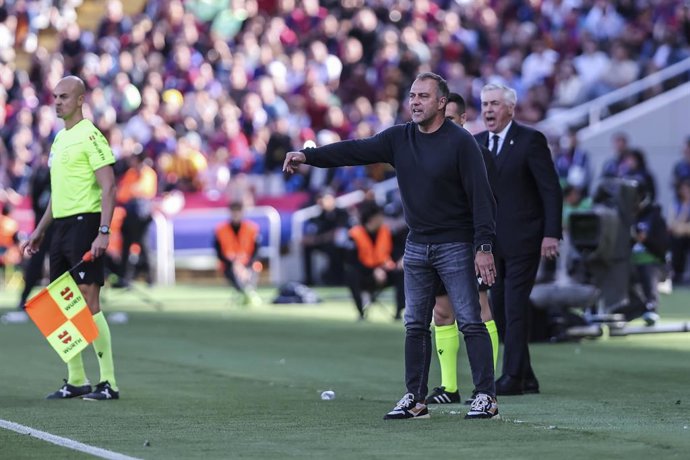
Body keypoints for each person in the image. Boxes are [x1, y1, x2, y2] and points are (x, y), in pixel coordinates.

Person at [284, 72, 499, 420]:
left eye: (424, 96)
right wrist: (309, 156)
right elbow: (354, 149)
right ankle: (415, 398)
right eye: (412, 95)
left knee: (470, 321)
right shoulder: (400, 138)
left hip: (455, 244)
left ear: (442, 103)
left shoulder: (461, 142)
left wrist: (484, 246)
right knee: (415, 324)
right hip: (416, 245)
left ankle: (486, 396)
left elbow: (482, 198)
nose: (415, 102)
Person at [21, 75, 120, 401]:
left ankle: (108, 382)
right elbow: (58, 194)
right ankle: (76, 380)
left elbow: (109, 186)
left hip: (85, 223)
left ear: (80, 100)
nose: (58, 101)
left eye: (64, 96)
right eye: (55, 96)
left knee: (89, 302)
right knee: (63, 304)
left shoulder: (90, 136)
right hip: (61, 226)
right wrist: (40, 229)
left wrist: (103, 231)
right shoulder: (60, 139)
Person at [475, 83, 562, 396]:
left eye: (495, 104)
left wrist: (551, 233)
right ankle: (527, 375)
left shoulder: (530, 140)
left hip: (525, 239)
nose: (488, 110)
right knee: (499, 307)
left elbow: (550, 189)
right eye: (485, 104)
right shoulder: (476, 143)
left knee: (513, 305)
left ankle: (512, 376)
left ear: (510, 108)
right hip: (491, 243)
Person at [426, 92, 499, 405]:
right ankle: (449, 387)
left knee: (479, 309)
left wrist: (482, 244)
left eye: (451, 119)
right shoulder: (426, 151)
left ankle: (486, 387)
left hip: (469, 242)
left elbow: (488, 203)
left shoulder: (478, 153)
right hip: (437, 242)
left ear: (462, 119)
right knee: (441, 311)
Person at [344, 202, 405, 320]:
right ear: (372, 218)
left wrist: (398, 261)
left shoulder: (386, 232)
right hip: (364, 274)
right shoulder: (354, 234)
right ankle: (361, 312)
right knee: (351, 274)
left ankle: (399, 311)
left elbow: (395, 251)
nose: (383, 219)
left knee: (401, 273)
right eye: (380, 216)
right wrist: (373, 271)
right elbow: (351, 261)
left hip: (385, 271)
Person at [113, 152, 157, 287]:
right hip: (130, 215)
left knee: (143, 245)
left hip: (141, 216)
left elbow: (144, 190)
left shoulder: (148, 173)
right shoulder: (131, 173)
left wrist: (131, 191)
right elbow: (122, 193)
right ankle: (125, 278)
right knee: (126, 246)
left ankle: (151, 278)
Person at [213, 201, 262, 306]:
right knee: (231, 271)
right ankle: (245, 292)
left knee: (255, 268)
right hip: (229, 264)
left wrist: (246, 266)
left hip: (248, 263)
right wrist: (234, 264)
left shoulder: (252, 228)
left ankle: (247, 291)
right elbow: (219, 253)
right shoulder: (220, 230)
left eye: (238, 211)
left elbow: (256, 252)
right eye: (233, 211)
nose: (236, 214)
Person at [301, 189, 350, 286]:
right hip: (325, 242)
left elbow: (336, 233)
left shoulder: (342, 212)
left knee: (334, 249)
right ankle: (309, 280)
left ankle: (336, 278)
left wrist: (316, 240)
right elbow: (317, 230)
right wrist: (310, 239)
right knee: (307, 247)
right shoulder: (321, 214)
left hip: (341, 245)